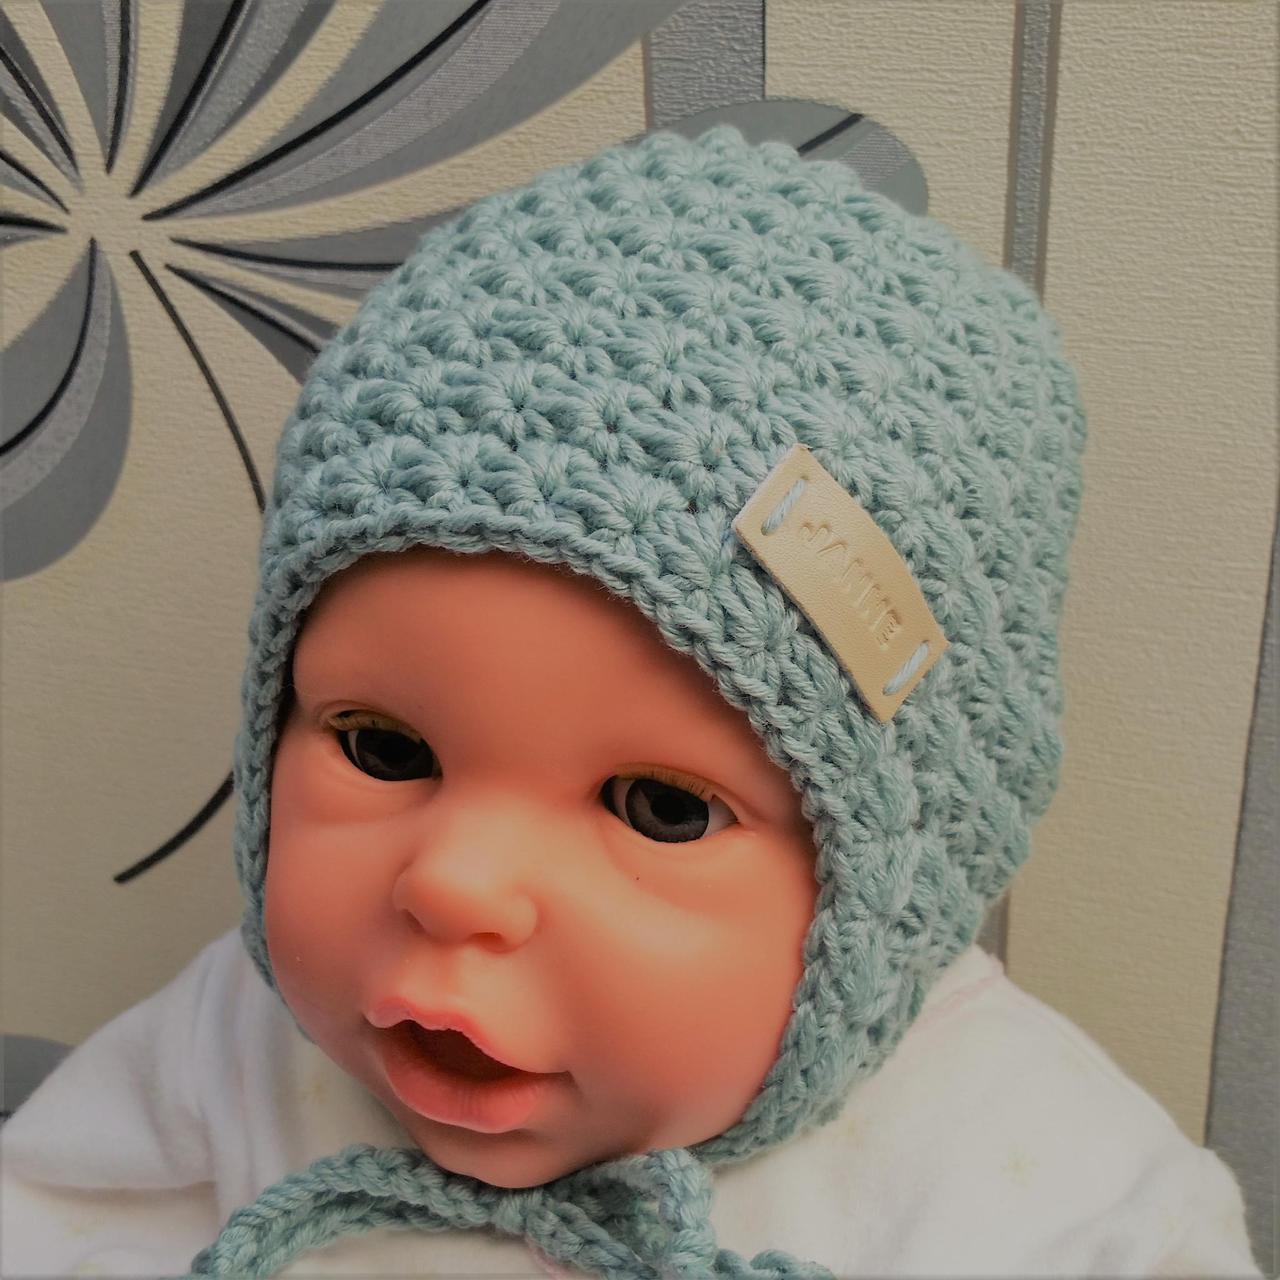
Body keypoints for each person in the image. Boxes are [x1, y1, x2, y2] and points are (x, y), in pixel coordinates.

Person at [0, 125, 1261, 1278]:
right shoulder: (240, 1044)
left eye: (659, 806)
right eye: (382, 745)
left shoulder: (1030, 1183)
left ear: (888, 895)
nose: (453, 883)